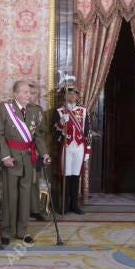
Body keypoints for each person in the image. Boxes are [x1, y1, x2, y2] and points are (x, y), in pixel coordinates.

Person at [0, 81, 50, 245]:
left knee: (25, 197)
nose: (29, 95)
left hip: (27, 159)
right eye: (25, 92)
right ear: (16, 94)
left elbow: (38, 135)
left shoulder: (33, 111)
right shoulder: (5, 108)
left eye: (30, 92)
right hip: (11, 158)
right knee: (11, 196)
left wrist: (44, 153)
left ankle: (22, 231)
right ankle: (6, 231)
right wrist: (5, 157)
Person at [52, 83, 89, 215]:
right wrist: (61, 123)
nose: (72, 95)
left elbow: (86, 132)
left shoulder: (83, 111)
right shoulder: (59, 111)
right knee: (66, 175)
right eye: (69, 93)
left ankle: (74, 205)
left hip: (79, 146)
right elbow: (53, 131)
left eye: (74, 93)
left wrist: (87, 151)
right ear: (65, 95)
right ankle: (64, 206)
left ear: (77, 96)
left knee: (75, 176)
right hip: (66, 145)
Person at [28, 83, 47, 221]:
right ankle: (21, 209)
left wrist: (42, 151)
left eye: (36, 93)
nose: (34, 96)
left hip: (36, 151)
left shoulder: (39, 110)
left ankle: (35, 209)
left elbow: (41, 132)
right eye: (32, 93)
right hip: (22, 150)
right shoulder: (17, 109)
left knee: (35, 180)